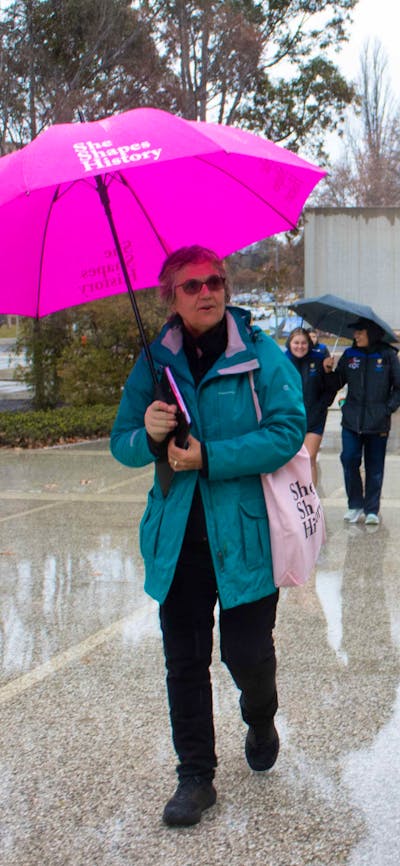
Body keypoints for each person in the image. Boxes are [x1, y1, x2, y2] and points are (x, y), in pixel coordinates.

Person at [110, 245, 306, 827]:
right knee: (185, 663)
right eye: (192, 285)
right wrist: (146, 433)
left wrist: (212, 456)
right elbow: (120, 442)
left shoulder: (258, 356)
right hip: (179, 544)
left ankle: (261, 714)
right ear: (169, 296)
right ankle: (195, 776)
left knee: (247, 655)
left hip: (246, 538)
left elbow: (288, 430)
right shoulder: (153, 362)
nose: (208, 292)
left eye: (215, 281)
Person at [323, 318, 400, 525]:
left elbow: (398, 387)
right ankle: (355, 504)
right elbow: (338, 382)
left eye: (359, 332)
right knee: (349, 459)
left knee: (375, 466)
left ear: (371, 333)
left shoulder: (388, 355)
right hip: (351, 421)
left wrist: (387, 409)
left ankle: (371, 509)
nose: (355, 336)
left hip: (378, 424)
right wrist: (329, 371)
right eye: (355, 332)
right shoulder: (350, 355)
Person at [285, 327, 336, 486]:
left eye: (303, 343)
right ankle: (294, 495)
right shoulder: (282, 361)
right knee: (291, 460)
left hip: (314, 417)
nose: (300, 346)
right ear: (289, 343)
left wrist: (328, 371)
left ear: (309, 344)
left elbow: (329, 390)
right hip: (290, 418)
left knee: (309, 457)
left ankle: (312, 498)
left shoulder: (319, 359)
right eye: (296, 343)